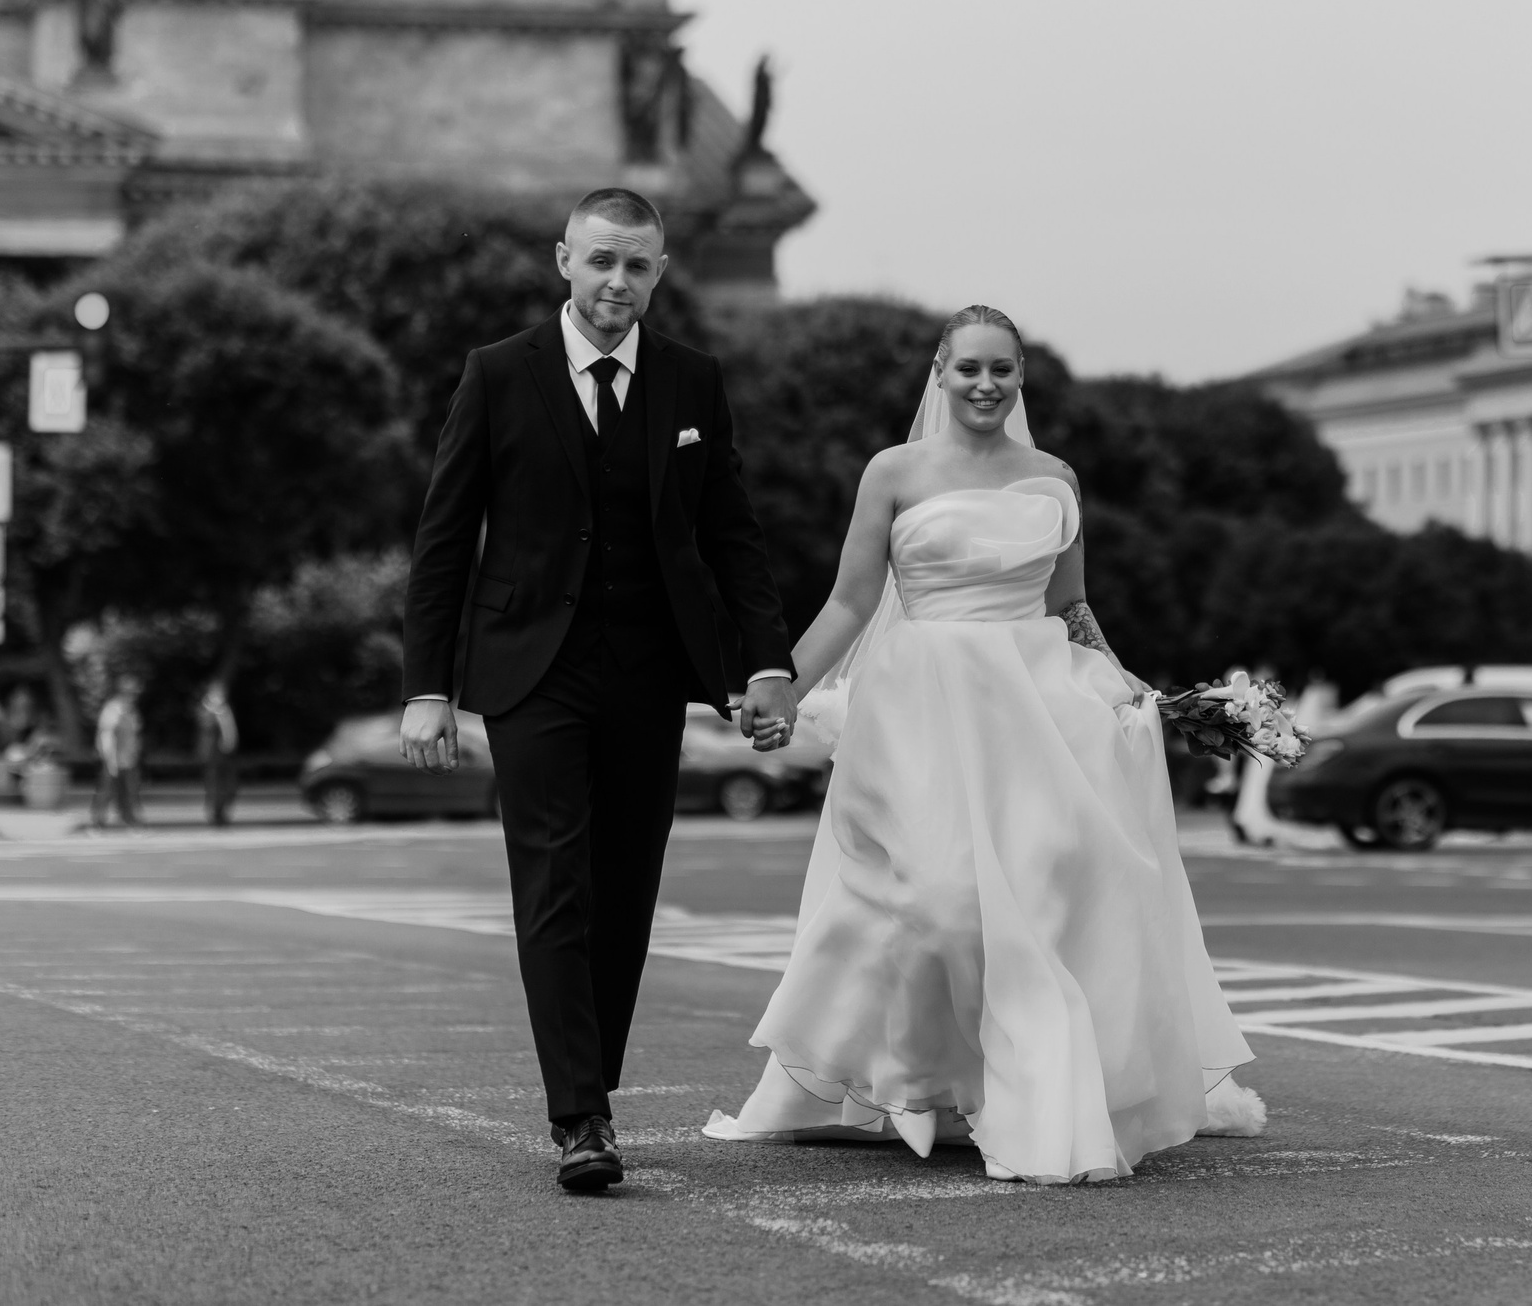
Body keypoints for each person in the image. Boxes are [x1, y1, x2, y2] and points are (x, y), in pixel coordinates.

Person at [703, 305, 1258, 1184]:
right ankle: (921, 1082)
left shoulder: (1056, 478)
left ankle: (1021, 1092)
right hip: (916, 712)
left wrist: (1149, 696)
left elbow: (1071, 610)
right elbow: (850, 602)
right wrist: (784, 684)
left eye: (1003, 369)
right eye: (968, 368)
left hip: (1033, 714)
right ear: (939, 371)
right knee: (938, 903)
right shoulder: (893, 471)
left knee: (1043, 893)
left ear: (1022, 375)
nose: (986, 384)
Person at [399, 187, 796, 1194]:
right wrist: (426, 687)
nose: (617, 282)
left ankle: (593, 1085)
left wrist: (765, 661)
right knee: (554, 886)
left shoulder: (691, 384)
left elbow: (731, 537)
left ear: (659, 273)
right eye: (601, 261)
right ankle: (581, 1116)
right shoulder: (499, 375)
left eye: (638, 265)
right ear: (564, 261)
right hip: (532, 670)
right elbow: (446, 539)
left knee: (625, 890)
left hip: (649, 670)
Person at [91, 674, 143, 828]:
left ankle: (129, 817)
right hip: (113, 758)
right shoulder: (113, 709)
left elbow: (135, 733)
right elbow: (107, 734)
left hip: (127, 758)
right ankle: (99, 821)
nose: (133, 696)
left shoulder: (131, 711)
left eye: (134, 693)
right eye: (130, 693)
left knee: (128, 790)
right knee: (106, 789)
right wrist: (109, 758)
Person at [196, 681, 239, 827]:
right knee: (214, 787)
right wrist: (214, 710)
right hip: (212, 755)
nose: (220, 696)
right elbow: (205, 725)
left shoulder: (225, 709)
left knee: (229, 787)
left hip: (226, 754)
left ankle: (222, 813)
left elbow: (230, 729)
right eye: (217, 692)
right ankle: (215, 817)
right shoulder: (206, 709)